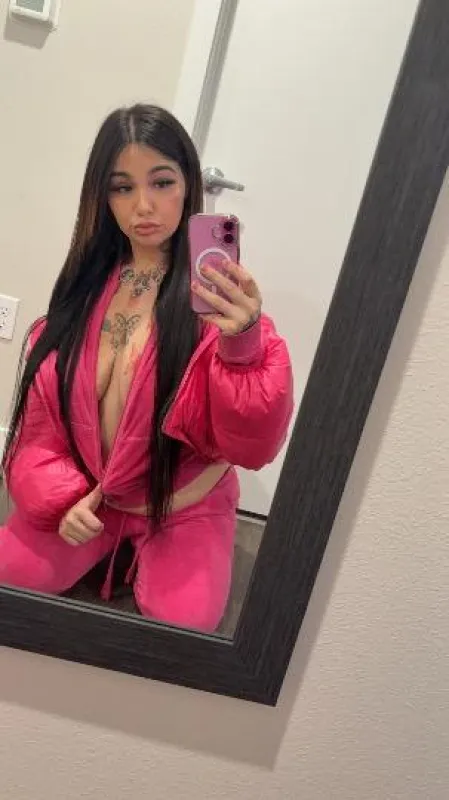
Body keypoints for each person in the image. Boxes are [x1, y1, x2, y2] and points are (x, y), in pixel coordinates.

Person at [0, 104, 293, 632]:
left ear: (189, 185)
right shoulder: (82, 294)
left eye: (162, 182)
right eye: (122, 187)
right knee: (8, 571)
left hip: (183, 502)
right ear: (102, 196)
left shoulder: (218, 305)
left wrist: (243, 349)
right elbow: (39, 431)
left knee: (183, 626)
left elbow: (251, 447)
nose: (143, 206)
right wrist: (62, 500)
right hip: (96, 496)